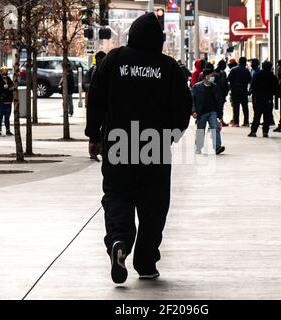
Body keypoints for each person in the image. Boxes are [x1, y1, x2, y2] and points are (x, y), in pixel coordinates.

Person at [85, 12, 192, 284]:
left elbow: (96, 98)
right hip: (153, 144)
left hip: (119, 141)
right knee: (154, 205)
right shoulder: (168, 67)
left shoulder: (114, 60)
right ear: (159, 39)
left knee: (117, 196)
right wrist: (172, 135)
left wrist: (94, 136)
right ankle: (145, 263)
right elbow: (183, 107)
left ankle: (119, 240)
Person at [192, 68, 226, 155]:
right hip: (201, 113)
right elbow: (192, 100)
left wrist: (220, 115)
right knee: (201, 130)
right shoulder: (196, 87)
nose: (213, 77)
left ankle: (217, 147)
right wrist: (193, 111)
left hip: (213, 112)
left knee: (215, 128)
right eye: (211, 76)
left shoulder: (215, 87)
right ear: (206, 77)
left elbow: (219, 101)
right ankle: (199, 147)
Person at [248, 61, 279, 138]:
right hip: (268, 99)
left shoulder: (257, 75)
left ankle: (253, 131)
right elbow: (276, 88)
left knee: (257, 115)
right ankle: (265, 132)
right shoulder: (272, 76)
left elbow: (252, 86)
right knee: (267, 116)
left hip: (258, 98)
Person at [228, 57, 251, 127]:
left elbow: (228, 79)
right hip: (244, 90)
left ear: (239, 61)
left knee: (236, 107)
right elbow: (250, 80)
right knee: (245, 106)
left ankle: (236, 122)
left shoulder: (233, 70)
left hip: (235, 90)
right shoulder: (247, 71)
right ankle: (246, 122)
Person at [0, 66, 14, 137]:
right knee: (0, 116)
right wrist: (3, 87)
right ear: (1, 72)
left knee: (7, 117)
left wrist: (11, 88)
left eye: (6, 72)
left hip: (8, 101)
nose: (5, 73)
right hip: (1, 101)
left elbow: (12, 86)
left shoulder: (9, 79)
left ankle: (8, 130)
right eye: (3, 72)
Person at [214, 60, 230, 127]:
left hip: (215, 93)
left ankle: (216, 121)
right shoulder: (222, 73)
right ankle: (220, 121)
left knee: (215, 108)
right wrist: (226, 91)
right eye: (224, 65)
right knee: (220, 108)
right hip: (220, 93)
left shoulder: (214, 72)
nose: (225, 66)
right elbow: (223, 83)